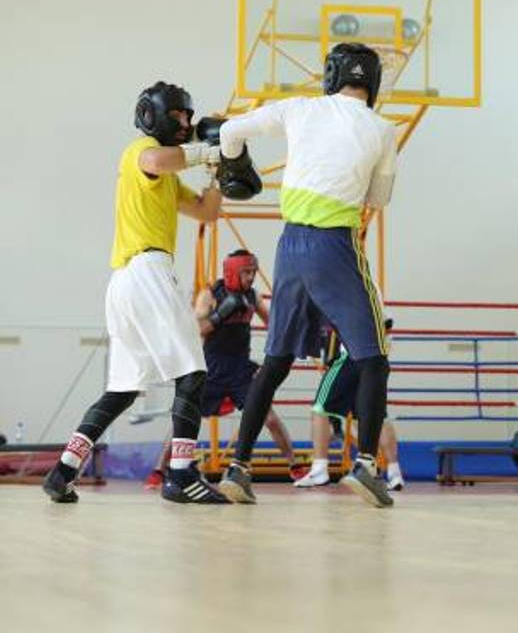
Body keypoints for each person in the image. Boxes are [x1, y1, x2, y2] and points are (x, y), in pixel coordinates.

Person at [217, 43, 399, 507]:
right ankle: (367, 466)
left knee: (275, 361)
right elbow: (379, 200)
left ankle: (238, 468)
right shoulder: (381, 128)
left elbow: (231, 131)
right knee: (374, 357)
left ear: (330, 75)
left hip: (289, 247)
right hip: (334, 244)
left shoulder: (299, 108)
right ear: (373, 84)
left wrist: (235, 166)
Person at [43, 82, 229, 504]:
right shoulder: (141, 150)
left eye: (188, 118)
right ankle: (181, 475)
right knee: (193, 371)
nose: (185, 124)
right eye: (180, 117)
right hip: (146, 271)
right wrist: (208, 149)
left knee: (123, 389)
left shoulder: (165, 177)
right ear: (155, 116)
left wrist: (220, 168)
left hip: (126, 282)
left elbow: (208, 212)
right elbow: (158, 160)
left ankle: (63, 470)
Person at [143, 249, 302, 488]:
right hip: (211, 367)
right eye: (246, 272)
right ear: (232, 272)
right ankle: (159, 469)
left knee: (268, 417)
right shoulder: (210, 294)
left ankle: (295, 466)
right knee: (185, 417)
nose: (251, 277)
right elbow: (195, 332)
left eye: (253, 272)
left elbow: (273, 324)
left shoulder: (252, 296)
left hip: (241, 369)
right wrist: (219, 315)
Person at [296, 322, 404, 490]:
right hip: (376, 353)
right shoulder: (375, 299)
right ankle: (394, 473)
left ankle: (319, 469)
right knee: (376, 415)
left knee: (320, 408)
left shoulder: (347, 298)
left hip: (351, 352)